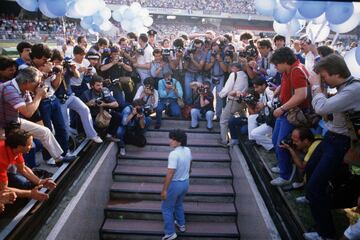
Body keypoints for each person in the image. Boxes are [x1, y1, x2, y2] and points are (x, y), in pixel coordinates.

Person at [303, 54, 360, 240]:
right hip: (331, 137)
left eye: (325, 76)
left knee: (315, 186)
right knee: (310, 169)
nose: (323, 80)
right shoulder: (345, 87)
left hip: (340, 142)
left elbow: (321, 108)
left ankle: (325, 234)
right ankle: (314, 199)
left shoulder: (353, 89)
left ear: (336, 73)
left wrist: (315, 86)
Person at [0, 67, 75, 166]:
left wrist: (38, 96)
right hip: (2, 125)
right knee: (28, 146)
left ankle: (58, 158)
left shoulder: (24, 89)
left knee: (45, 131)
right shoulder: (9, 89)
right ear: (27, 82)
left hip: (11, 121)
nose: (40, 85)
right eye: (37, 82)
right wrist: (38, 96)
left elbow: (32, 111)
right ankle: (18, 172)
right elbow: (28, 112)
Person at [270, 47, 309, 186]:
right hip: (286, 112)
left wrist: (282, 108)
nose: (276, 67)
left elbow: (301, 95)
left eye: (276, 64)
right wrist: (280, 89)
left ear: (284, 61)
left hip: (292, 113)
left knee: (283, 143)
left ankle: (286, 175)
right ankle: (282, 166)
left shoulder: (297, 70)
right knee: (276, 140)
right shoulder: (288, 70)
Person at [0, 127, 56, 202]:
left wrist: (40, 181)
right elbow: (4, 189)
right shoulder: (2, 160)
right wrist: (30, 193)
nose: (31, 146)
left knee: (23, 184)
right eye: (29, 144)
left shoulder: (15, 149)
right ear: (20, 146)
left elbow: (23, 169)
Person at [161, 129, 192, 240]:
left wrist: (164, 190)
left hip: (175, 184)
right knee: (178, 204)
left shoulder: (173, 154)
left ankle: (170, 233)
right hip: (185, 183)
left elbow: (170, 174)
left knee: (166, 208)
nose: (170, 141)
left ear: (178, 141)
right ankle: (181, 224)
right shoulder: (188, 150)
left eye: (172, 139)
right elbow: (190, 164)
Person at [218, 62, 248, 146]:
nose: (231, 70)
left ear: (236, 68)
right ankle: (238, 138)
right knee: (241, 119)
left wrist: (220, 94)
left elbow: (228, 88)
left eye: (232, 68)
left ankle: (224, 141)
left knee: (223, 120)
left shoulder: (234, 75)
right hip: (243, 102)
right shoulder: (245, 75)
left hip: (234, 101)